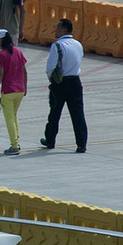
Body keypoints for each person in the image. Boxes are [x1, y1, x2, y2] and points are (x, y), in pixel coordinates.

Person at [40, 18, 88, 154]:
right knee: (78, 114)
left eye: (57, 28)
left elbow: (50, 67)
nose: (55, 30)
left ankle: (50, 140)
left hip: (60, 83)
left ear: (64, 30)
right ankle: (81, 143)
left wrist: (51, 79)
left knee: (55, 113)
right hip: (75, 81)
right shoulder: (78, 44)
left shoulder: (57, 45)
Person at [0, 29, 27, 155]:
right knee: (14, 116)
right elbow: (24, 71)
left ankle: (14, 145)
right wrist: (25, 87)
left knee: (9, 118)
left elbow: (0, 74)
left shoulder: (2, 55)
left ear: (1, 40)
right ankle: (16, 141)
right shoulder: (18, 51)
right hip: (20, 90)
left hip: (8, 90)